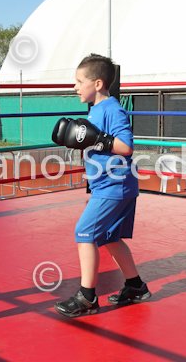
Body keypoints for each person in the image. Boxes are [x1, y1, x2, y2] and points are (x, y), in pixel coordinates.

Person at [51, 54, 149, 317]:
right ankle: (135, 286)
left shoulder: (111, 109)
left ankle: (87, 297)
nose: (75, 87)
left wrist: (100, 139)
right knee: (111, 238)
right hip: (112, 184)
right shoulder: (95, 109)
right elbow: (98, 143)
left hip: (114, 184)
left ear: (97, 84)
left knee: (84, 232)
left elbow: (126, 147)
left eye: (79, 81)